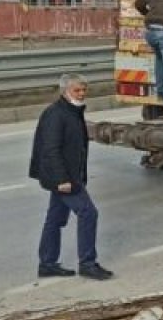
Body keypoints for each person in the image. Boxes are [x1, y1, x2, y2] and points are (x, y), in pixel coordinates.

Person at [28, 73, 113, 280]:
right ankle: (87, 263)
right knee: (88, 213)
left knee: (55, 219)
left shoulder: (72, 111)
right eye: (77, 90)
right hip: (63, 178)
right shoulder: (56, 114)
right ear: (65, 91)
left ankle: (47, 264)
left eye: (84, 90)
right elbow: (51, 150)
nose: (82, 93)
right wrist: (61, 180)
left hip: (69, 175)